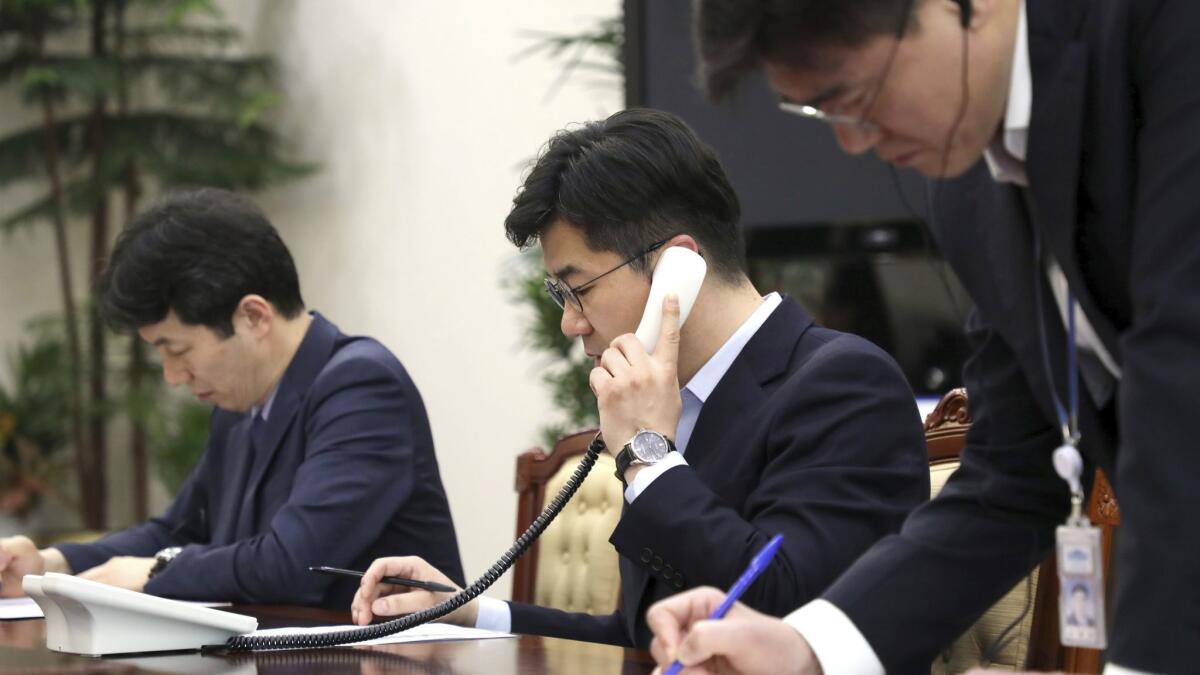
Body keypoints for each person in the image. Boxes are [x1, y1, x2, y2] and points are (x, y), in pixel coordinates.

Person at [646, 1, 1200, 673]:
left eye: (855, 97)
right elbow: (1012, 474)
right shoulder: (966, 188)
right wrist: (807, 646)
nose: (853, 143)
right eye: (821, 115)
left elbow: (1182, 378)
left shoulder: (1165, 32)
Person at [348, 108, 929, 649]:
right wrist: (469, 612)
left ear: (678, 265)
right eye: (559, 294)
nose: (570, 322)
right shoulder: (674, 403)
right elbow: (644, 637)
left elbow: (785, 614)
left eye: (579, 288)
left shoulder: (845, 385)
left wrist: (649, 457)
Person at [0, 189, 464, 609]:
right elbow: (176, 531)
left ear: (253, 316)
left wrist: (156, 572)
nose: (173, 376)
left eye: (177, 350)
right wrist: (52, 563)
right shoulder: (239, 408)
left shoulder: (361, 387)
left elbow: (292, 564)